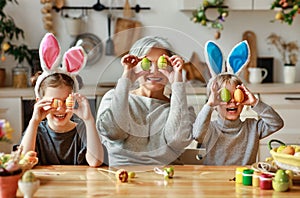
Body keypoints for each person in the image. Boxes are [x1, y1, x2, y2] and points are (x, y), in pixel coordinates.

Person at [96, 36, 196, 167]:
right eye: (147, 63)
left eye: (162, 64)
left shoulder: (181, 108)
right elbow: (114, 132)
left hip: (169, 179)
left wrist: (176, 82)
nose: (154, 72)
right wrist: (127, 78)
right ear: (134, 66)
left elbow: (178, 141)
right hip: (123, 176)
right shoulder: (113, 98)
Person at [193, 40, 284, 165]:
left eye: (236, 96)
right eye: (225, 97)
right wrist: (209, 105)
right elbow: (197, 134)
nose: (232, 102)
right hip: (216, 180)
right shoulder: (211, 129)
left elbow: (277, 123)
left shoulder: (253, 128)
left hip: (244, 180)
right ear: (215, 103)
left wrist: (255, 103)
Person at [20, 33, 104, 166]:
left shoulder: (83, 130)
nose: (61, 108)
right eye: (54, 102)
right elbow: (22, 162)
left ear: (74, 100)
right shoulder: (36, 131)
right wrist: (34, 122)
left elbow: (95, 161)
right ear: (39, 102)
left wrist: (89, 121)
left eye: (66, 101)